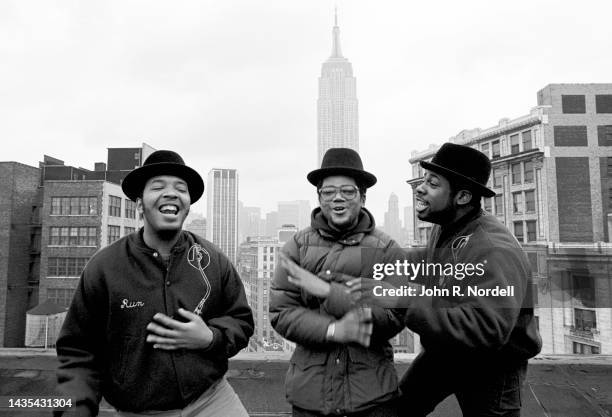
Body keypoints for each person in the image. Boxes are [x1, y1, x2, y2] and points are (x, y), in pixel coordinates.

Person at [55, 150, 254, 417]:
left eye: (180, 189)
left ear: (187, 205)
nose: (171, 193)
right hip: (140, 411)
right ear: (140, 204)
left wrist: (210, 338)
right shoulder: (104, 267)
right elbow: (78, 353)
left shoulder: (213, 260)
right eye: (158, 187)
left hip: (213, 399)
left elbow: (240, 319)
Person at [353, 143, 542, 417]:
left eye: (432, 183)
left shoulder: (493, 248)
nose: (420, 188)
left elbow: (487, 328)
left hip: (492, 368)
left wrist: (404, 298)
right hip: (447, 352)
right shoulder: (449, 226)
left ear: (462, 196)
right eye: (422, 181)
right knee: (395, 410)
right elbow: (434, 264)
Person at [269, 147, 405, 417]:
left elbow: (394, 314)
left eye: (348, 191)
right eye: (328, 192)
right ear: (319, 197)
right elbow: (281, 312)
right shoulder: (297, 245)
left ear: (363, 197)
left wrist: (331, 294)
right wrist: (332, 331)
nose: (337, 199)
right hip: (310, 397)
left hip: (372, 398)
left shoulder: (387, 249)